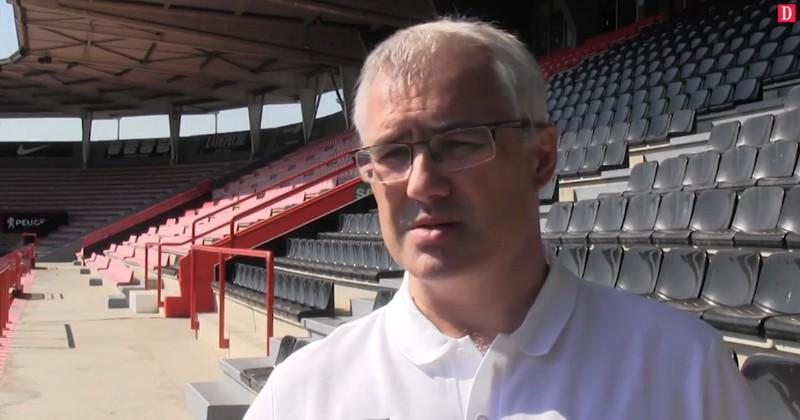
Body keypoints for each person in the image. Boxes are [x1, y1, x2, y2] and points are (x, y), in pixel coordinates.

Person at [244, 17, 758, 420]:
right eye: (394, 154)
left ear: (540, 159)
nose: (422, 183)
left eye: (461, 143)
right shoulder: (301, 396)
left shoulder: (681, 370)